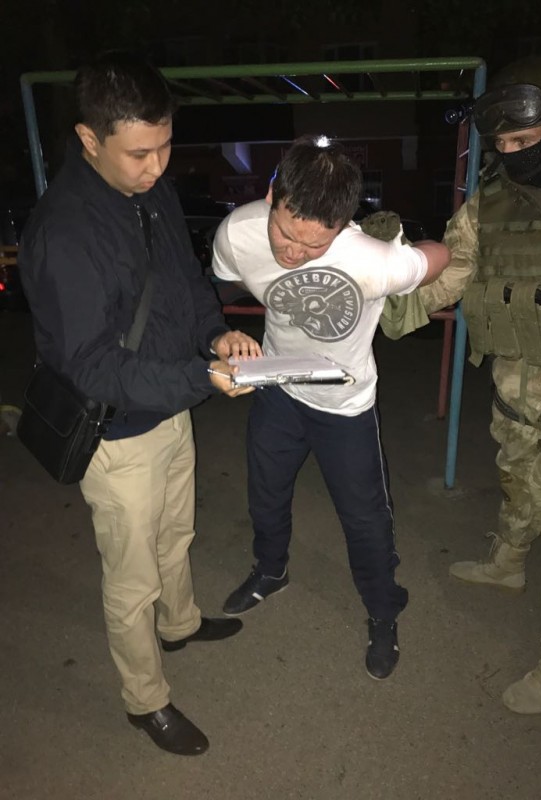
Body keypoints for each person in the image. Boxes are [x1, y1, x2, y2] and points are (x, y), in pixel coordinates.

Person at [18, 52, 263, 756]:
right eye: (138, 153)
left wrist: (215, 334)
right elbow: (91, 365)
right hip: (117, 433)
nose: (156, 167)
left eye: (165, 146)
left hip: (171, 401)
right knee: (130, 581)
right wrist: (200, 376)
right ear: (89, 139)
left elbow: (185, 281)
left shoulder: (151, 192)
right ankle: (144, 700)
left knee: (176, 533)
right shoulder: (64, 231)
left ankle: (180, 624)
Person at [385, 56, 541, 713]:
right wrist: (389, 299)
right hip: (514, 378)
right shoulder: (490, 200)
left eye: (523, 140)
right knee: (513, 475)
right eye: (501, 143)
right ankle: (507, 563)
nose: (510, 153)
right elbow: (455, 271)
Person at [211, 135, 450, 680]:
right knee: (265, 492)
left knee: (365, 519)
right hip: (278, 388)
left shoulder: (373, 259)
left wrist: (422, 253)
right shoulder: (238, 231)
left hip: (345, 405)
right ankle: (271, 570)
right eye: (285, 233)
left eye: (313, 245)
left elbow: (438, 257)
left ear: (343, 226)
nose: (292, 253)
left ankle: (383, 610)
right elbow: (227, 279)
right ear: (271, 195)